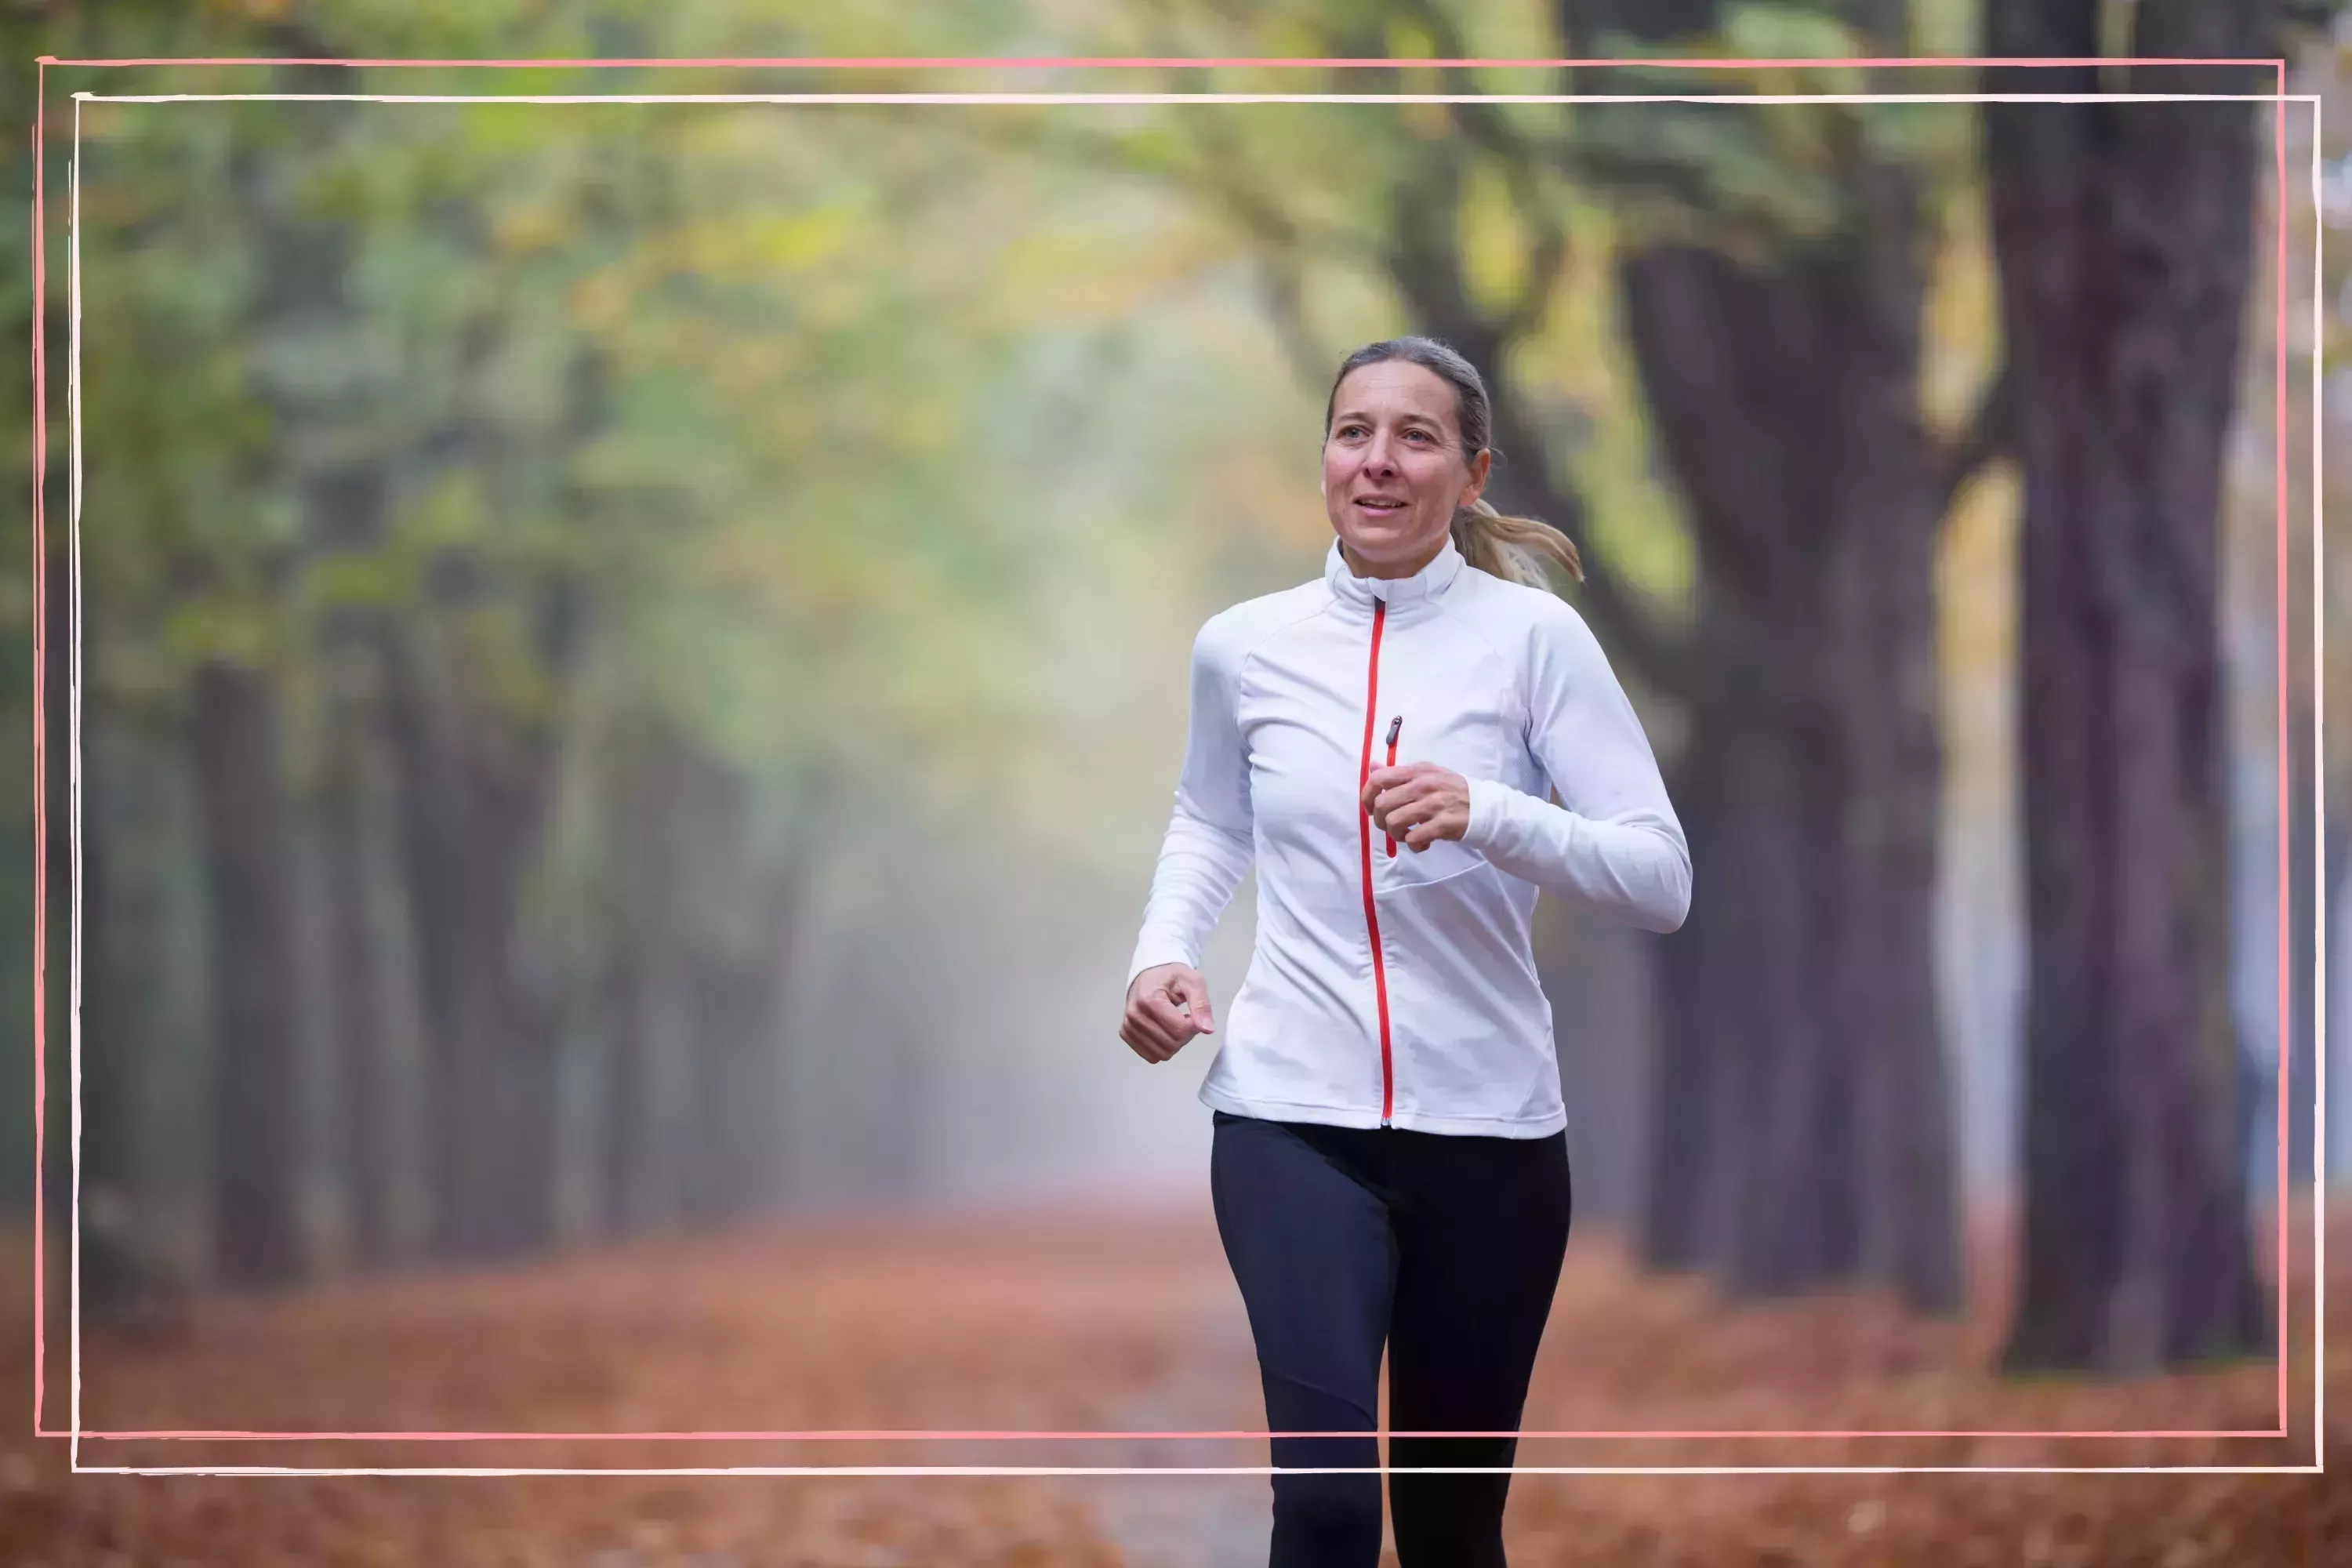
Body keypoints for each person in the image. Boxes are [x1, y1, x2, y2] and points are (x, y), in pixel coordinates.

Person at [1120, 336, 1691, 1566]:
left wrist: (1489, 811)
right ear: (1325, 456)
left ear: (1472, 473)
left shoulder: (1536, 645)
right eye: (1353, 432)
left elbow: (1660, 877)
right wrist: (1161, 953)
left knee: (1448, 1529)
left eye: (1416, 437)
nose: (1378, 461)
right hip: (1291, 1121)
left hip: (1492, 1138)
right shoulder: (1246, 646)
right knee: (1326, 1511)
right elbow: (1212, 819)